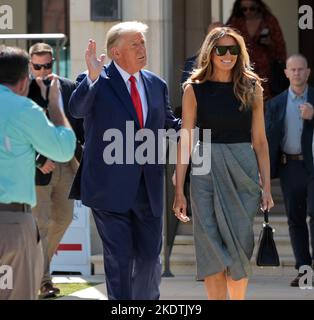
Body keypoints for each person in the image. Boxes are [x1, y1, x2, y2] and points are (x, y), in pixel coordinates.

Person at [68, 21, 181, 300]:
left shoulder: (157, 84)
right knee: (119, 259)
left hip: (148, 188)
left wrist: (197, 129)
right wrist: (92, 79)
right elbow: (77, 109)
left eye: (143, 42)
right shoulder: (96, 79)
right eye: (136, 44)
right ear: (116, 53)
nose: (143, 48)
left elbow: (168, 125)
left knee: (148, 261)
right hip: (108, 189)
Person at [173, 27, 274, 300]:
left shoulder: (252, 87)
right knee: (209, 246)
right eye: (221, 50)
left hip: (243, 170)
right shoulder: (194, 90)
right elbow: (185, 140)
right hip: (205, 167)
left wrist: (267, 187)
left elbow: (261, 142)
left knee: (240, 245)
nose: (227, 55)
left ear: (240, 54)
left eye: (233, 50)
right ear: (210, 53)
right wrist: (179, 188)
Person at [0, 46, 76, 300]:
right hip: (10, 223)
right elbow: (64, 148)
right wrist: (54, 105)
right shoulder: (23, 109)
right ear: (24, 81)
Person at [27, 43, 84, 299]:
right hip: (38, 166)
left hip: (67, 163)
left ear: (54, 62)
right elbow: (21, 129)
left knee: (63, 218)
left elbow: (80, 124)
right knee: (40, 223)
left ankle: (37, 272)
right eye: (37, 66)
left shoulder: (69, 87)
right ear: (30, 65)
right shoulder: (24, 90)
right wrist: (38, 159)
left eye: (46, 65)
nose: (42, 71)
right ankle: (43, 280)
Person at [266, 54, 314, 287]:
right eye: (292, 70)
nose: (296, 73)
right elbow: (266, 139)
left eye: (300, 69)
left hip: (313, 166)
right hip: (290, 166)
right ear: (286, 73)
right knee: (295, 220)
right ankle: (304, 270)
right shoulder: (275, 105)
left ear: (308, 72)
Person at [227, 0, 287, 99]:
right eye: (244, 9)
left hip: (267, 72)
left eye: (252, 8)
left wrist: (270, 43)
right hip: (242, 69)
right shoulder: (235, 21)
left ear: (259, 7)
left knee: (266, 103)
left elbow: (280, 47)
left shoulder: (269, 21)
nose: (248, 12)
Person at [180, 22, 224, 86]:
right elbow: (185, 90)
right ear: (206, 38)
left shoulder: (233, 61)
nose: (216, 40)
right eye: (212, 36)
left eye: (220, 36)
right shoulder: (192, 63)